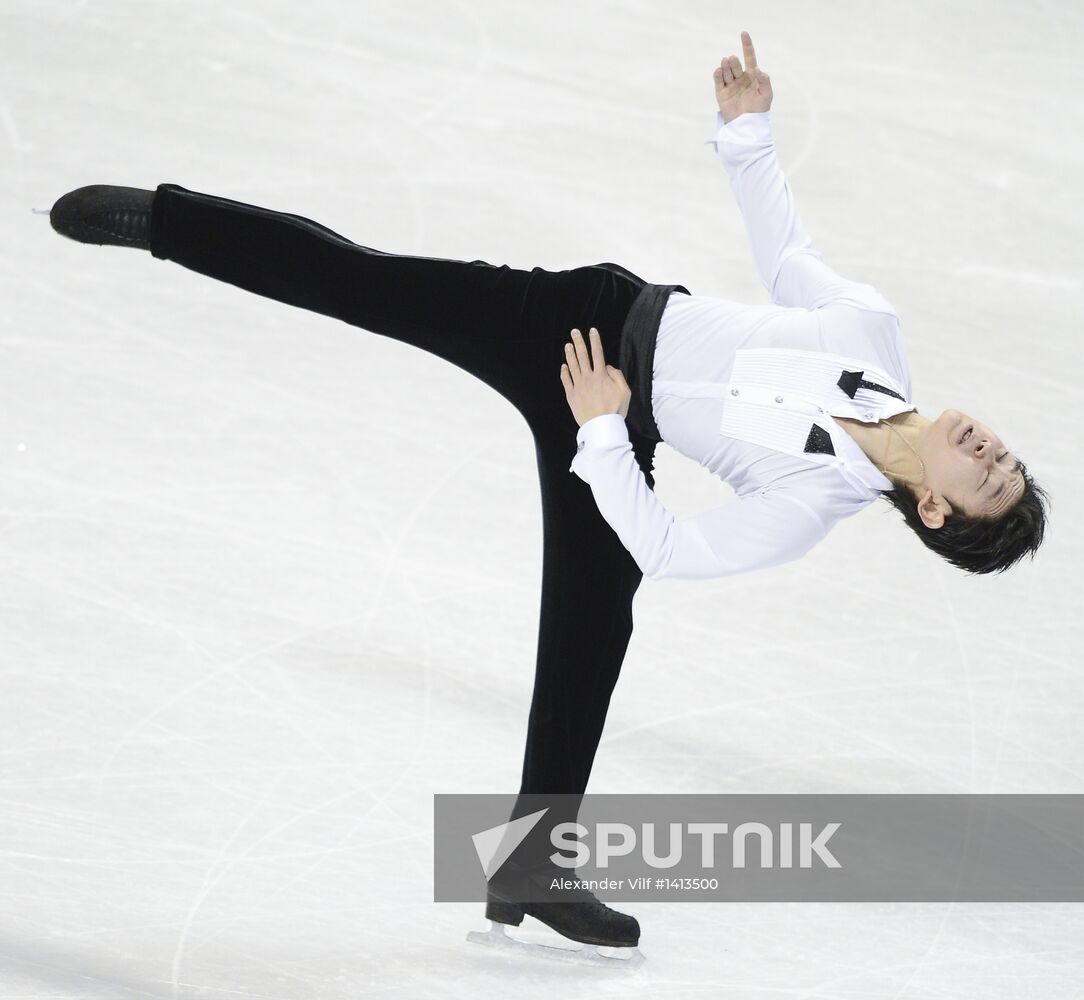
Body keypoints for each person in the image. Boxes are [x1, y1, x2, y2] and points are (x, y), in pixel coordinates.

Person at [47, 30, 1049, 963]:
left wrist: (606, 426)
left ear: (935, 513)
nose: (990, 450)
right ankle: (159, 220)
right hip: (577, 315)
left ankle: (534, 863)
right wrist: (747, 131)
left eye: (987, 480)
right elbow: (787, 258)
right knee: (366, 279)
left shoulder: (807, 505)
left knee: (590, 625)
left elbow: (665, 548)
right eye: (1005, 455)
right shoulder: (873, 335)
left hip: (605, 416)